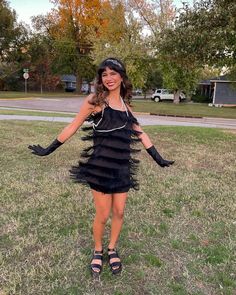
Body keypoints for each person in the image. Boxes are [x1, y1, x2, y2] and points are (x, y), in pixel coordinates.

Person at [28, 57, 174, 277]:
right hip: (100, 167)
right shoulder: (95, 101)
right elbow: (74, 125)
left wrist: (158, 157)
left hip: (121, 167)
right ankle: (98, 250)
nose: (109, 78)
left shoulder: (126, 106)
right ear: (100, 78)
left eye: (113, 73)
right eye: (104, 74)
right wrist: (49, 149)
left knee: (120, 212)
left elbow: (139, 132)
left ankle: (112, 248)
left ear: (122, 77)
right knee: (103, 215)